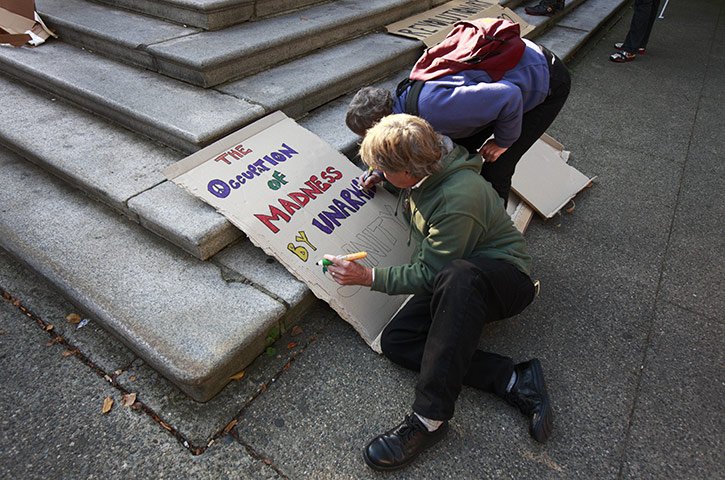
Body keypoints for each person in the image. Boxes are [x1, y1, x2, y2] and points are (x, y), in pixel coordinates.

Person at [324, 114, 553, 471]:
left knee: (457, 276)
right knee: (397, 340)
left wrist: (367, 276)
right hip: (456, 274)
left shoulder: (457, 198)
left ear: (411, 170)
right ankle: (511, 378)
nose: (376, 171)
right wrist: (386, 183)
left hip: (503, 279)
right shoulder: (424, 172)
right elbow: (416, 193)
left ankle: (429, 420)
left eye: (383, 167)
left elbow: (431, 274)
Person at [346, 30, 570, 206]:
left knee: (497, 166)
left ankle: (493, 243)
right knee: (461, 149)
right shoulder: (403, 101)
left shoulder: (435, 107)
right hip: (505, 78)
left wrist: (503, 142)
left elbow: (509, 95)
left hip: (543, 78)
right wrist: (382, 172)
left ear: (382, 123)